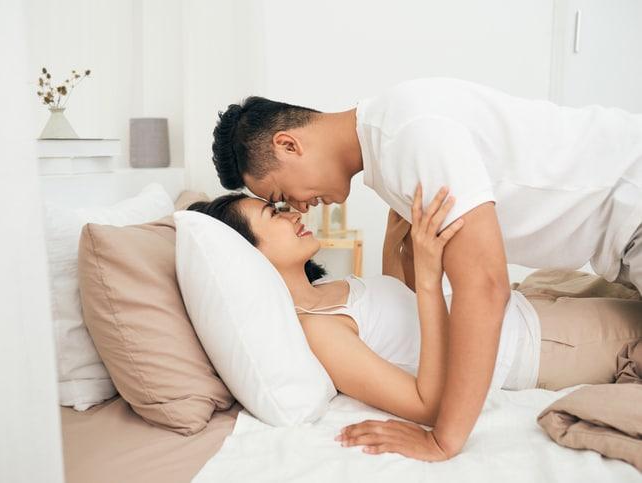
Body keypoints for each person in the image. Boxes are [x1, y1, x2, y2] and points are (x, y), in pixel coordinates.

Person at [209, 78, 642, 460]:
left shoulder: (408, 138)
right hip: (615, 240)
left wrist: (444, 441)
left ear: (288, 144)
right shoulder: (388, 146)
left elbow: (486, 286)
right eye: (279, 206)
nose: (299, 208)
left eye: (284, 193)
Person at [187, 187, 642, 455]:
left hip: (528, 311)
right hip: (542, 346)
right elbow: (426, 403)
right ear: (250, 253)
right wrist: (429, 274)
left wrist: (398, 235)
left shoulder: (329, 294)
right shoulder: (317, 329)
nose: (293, 215)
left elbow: (396, 319)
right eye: (274, 214)